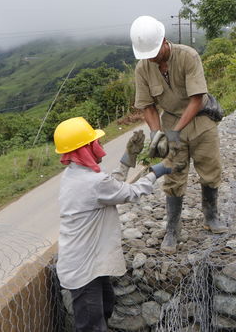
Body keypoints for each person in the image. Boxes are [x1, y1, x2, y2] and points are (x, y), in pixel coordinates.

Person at [54, 117, 171, 332]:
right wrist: (156, 172)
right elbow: (129, 192)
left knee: (106, 306)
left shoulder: (77, 175)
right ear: (85, 148)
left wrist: (128, 158)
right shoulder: (91, 182)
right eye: (95, 142)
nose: (100, 146)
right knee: (91, 326)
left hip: (90, 262)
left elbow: (110, 186)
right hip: (84, 269)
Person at [130, 15, 227, 255]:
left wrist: (175, 131)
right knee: (173, 175)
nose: (152, 58)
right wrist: (157, 135)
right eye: (147, 55)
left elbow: (196, 99)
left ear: (164, 41)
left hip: (201, 118)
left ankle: (211, 216)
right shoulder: (143, 68)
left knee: (210, 168)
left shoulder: (188, 56)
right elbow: (147, 106)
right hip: (171, 119)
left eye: (155, 52)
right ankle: (173, 228)